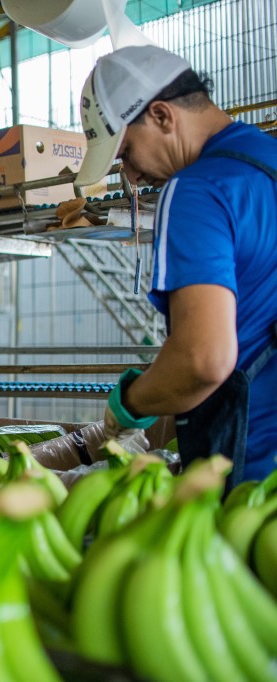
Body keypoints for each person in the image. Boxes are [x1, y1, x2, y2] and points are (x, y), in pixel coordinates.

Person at [75, 45, 277, 483]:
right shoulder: (267, 163)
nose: (130, 175)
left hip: (253, 475)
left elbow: (202, 360)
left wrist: (130, 401)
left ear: (164, 117)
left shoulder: (195, 190)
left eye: (126, 152)